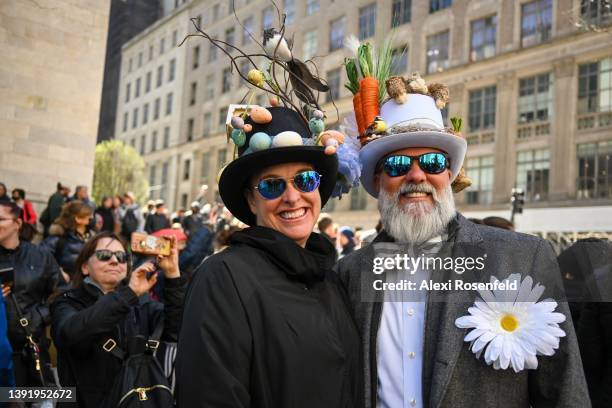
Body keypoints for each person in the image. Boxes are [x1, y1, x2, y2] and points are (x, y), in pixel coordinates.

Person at [336, 75, 589, 407]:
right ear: (377, 180)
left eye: (432, 162)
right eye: (397, 164)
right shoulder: (350, 272)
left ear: (449, 174)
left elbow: (564, 392)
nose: (416, 175)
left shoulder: (523, 258)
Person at [175, 105, 361, 407]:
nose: (292, 197)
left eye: (305, 180)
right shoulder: (223, 278)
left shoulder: (331, 280)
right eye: (272, 185)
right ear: (251, 199)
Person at [50, 232, 185, 408]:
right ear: (85, 267)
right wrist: (128, 294)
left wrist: (172, 275)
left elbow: (176, 328)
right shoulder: (67, 301)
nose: (114, 261)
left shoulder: (140, 302)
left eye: (121, 257)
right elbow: (70, 333)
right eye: (104, 255)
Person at [0, 201, 61, 388]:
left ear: (17, 223)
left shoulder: (41, 256)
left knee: (38, 399)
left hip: (31, 352)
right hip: (2, 356)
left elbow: (61, 293)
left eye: (1, 219)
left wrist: (40, 316)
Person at [41, 201, 93, 282]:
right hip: (64, 289)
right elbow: (41, 261)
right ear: (78, 219)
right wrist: (59, 274)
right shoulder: (56, 240)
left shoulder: (92, 239)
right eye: (88, 217)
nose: (92, 218)